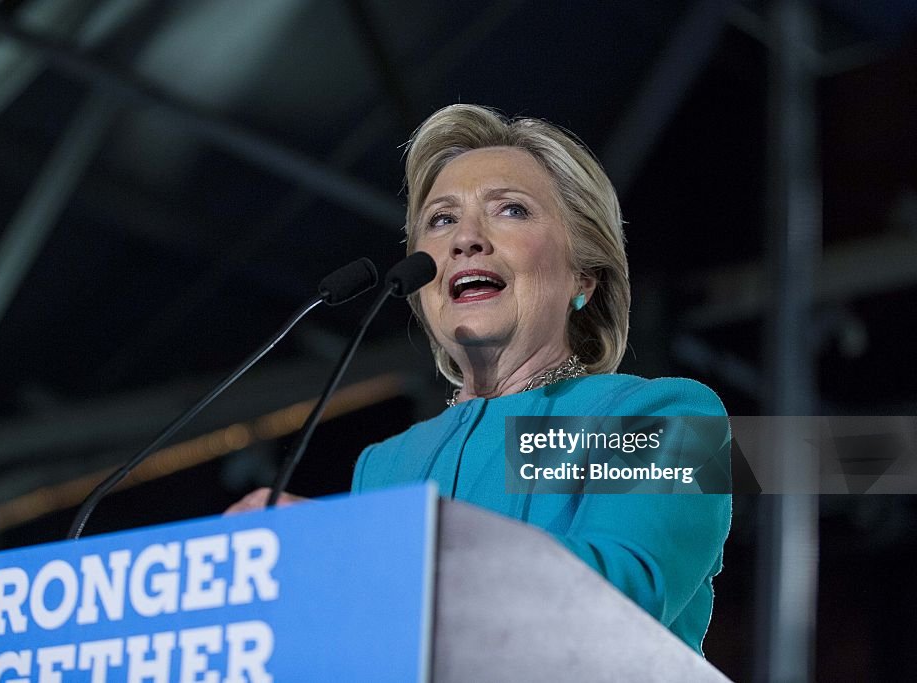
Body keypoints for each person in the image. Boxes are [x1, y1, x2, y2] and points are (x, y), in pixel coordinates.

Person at [230, 104, 732, 656]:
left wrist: (355, 545)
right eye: (441, 220)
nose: (465, 239)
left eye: (511, 210)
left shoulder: (668, 416)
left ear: (583, 277)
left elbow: (613, 603)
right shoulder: (384, 465)